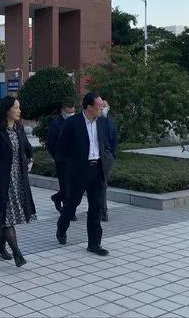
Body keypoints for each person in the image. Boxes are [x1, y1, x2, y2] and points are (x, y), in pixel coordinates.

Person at [56, 93, 116, 256]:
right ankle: (62, 226)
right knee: (72, 204)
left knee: (96, 206)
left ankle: (94, 244)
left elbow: (109, 142)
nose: (102, 108)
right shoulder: (72, 122)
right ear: (89, 107)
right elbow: (62, 147)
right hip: (79, 171)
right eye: (99, 106)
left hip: (97, 169)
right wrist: (69, 166)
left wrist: (110, 156)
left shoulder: (102, 122)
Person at [0, 96, 35, 267]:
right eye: (16, 108)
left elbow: (27, 147)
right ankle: (17, 254)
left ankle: (0, 245)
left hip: (19, 180)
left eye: (19, 107)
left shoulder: (19, 129)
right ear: (7, 111)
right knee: (7, 217)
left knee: (10, 217)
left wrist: (30, 160)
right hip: (3, 181)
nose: (19, 111)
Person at [47, 101, 77, 220]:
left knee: (74, 187)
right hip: (62, 162)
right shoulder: (56, 124)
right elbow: (50, 143)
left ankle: (57, 198)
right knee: (66, 187)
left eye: (73, 112)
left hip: (75, 161)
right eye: (69, 112)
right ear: (63, 111)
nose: (71, 114)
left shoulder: (76, 122)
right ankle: (69, 211)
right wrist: (57, 157)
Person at [99, 98, 118, 222]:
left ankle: (103, 211)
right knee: (99, 183)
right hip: (96, 156)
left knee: (102, 182)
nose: (103, 108)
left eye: (105, 106)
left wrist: (112, 154)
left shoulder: (111, 122)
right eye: (101, 106)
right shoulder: (94, 121)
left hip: (108, 156)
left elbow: (114, 140)